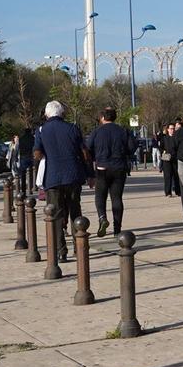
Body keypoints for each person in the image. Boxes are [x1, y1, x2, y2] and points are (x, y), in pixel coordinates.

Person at [33, 100, 92, 264]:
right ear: (62, 113)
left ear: (46, 114)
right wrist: (89, 174)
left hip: (53, 178)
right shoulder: (73, 128)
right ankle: (79, 247)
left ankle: (61, 251)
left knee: (56, 214)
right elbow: (85, 153)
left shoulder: (41, 130)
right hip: (73, 176)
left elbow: (37, 153)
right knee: (75, 211)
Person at [86, 106, 135, 237]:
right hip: (119, 168)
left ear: (102, 118)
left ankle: (102, 218)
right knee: (117, 198)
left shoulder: (97, 132)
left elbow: (88, 149)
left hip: (102, 168)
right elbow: (131, 149)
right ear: (115, 117)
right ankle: (117, 228)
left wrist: (90, 170)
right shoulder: (122, 131)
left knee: (100, 196)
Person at [160, 123, 178, 197]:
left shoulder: (177, 138)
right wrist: (163, 152)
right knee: (167, 176)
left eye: (173, 128)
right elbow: (161, 147)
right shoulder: (164, 138)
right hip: (166, 160)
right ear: (168, 130)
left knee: (176, 176)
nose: (172, 130)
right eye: (171, 129)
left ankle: (178, 191)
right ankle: (168, 192)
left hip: (175, 159)